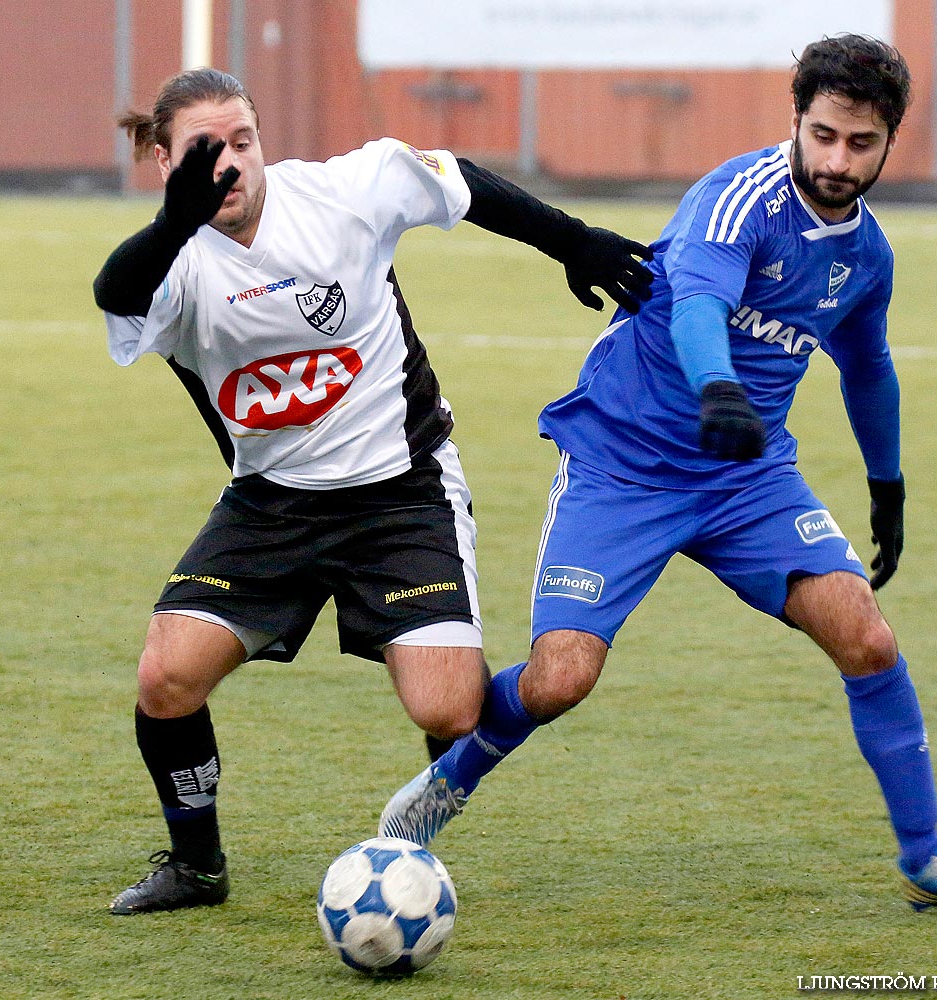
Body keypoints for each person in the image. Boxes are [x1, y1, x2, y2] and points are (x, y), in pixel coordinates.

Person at [379, 35, 937, 911]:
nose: (837, 161)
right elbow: (696, 305)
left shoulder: (866, 255)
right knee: (558, 679)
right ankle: (443, 789)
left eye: (860, 144)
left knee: (865, 636)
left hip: (745, 480)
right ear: (796, 122)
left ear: (889, 141)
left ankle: (924, 854)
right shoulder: (738, 200)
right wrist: (719, 387)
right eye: (824, 136)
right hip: (624, 463)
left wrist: (888, 485)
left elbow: (867, 368)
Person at [93, 67, 653, 915]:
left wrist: (574, 242)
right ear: (166, 161)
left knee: (450, 710)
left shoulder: (343, 193)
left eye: (243, 142)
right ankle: (197, 866)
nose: (232, 165)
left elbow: (458, 184)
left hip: (401, 493)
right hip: (270, 502)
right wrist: (176, 219)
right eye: (207, 153)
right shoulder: (172, 269)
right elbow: (116, 294)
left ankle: (435, 804)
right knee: (165, 678)